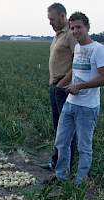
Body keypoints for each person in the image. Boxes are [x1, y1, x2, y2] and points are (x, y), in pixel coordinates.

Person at [55, 12, 104, 185]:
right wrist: (62, 84)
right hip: (70, 103)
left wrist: (79, 87)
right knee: (61, 142)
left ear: (87, 27)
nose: (75, 31)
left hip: (87, 107)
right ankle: (61, 177)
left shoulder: (98, 49)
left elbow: (103, 78)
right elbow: (76, 71)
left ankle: (79, 183)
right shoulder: (77, 48)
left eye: (79, 27)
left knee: (84, 147)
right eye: (72, 27)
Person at [41, 3, 77, 171]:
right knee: (58, 127)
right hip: (55, 87)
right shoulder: (58, 35)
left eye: (52, 19)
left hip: (64, 88)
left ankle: (66, 166)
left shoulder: (71, 34)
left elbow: (79, 62)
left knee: (66, 129)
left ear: (63, 16)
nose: (50, 23)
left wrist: (63, 83)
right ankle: (56, 162)